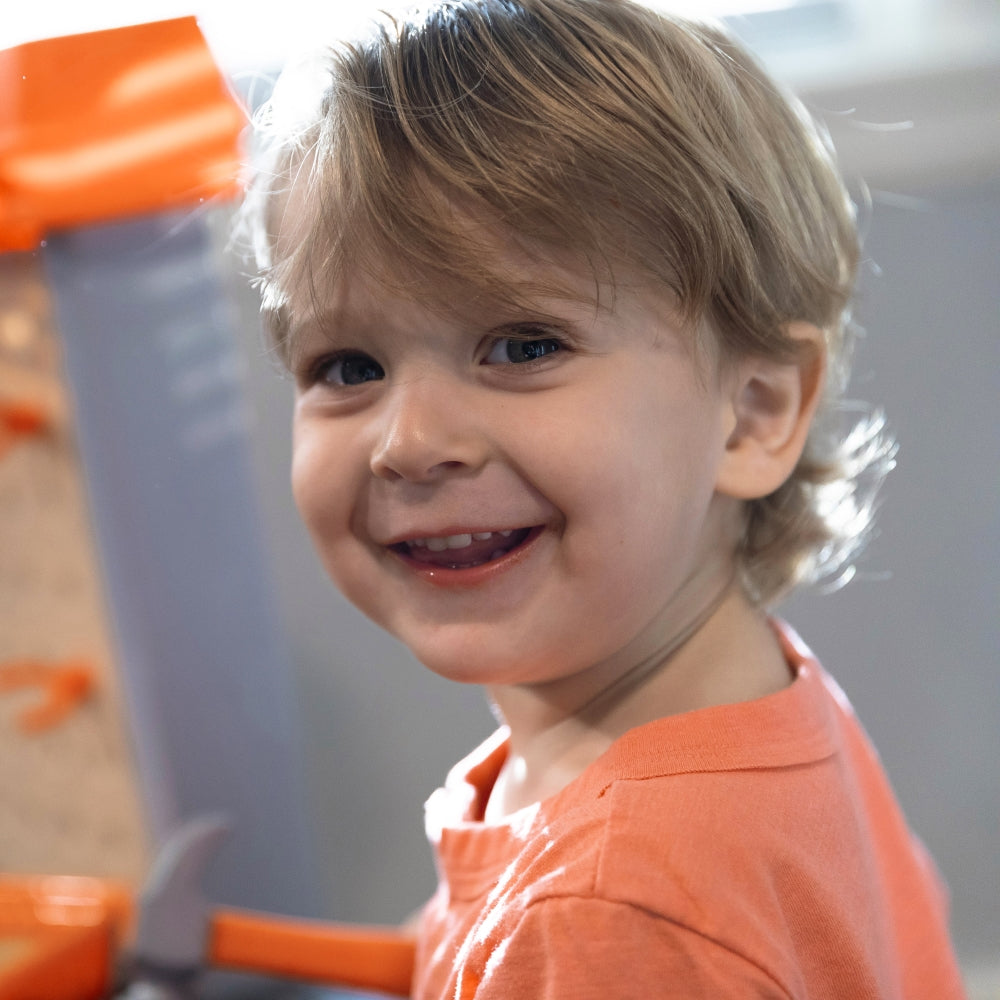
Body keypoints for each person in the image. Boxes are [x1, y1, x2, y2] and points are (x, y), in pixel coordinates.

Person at [239, 0, 966, 995]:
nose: (409, 443)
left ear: (751, 413)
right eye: (348, 364)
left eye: (523, 347)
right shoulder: (754, 715)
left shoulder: (605, 912)